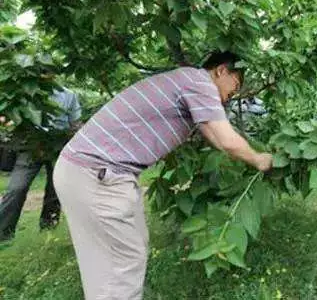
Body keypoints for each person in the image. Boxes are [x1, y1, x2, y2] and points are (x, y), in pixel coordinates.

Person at [53, 51, 273, 300]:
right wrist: (260, 159)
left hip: (92, 172)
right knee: (122, 263)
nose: (237, 90)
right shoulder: (199, 83)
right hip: (97, 175)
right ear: (221, 70)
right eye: (237, 81)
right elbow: (227, 140)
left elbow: (217, 140)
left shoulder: (188, 83)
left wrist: (246, 152)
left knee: (117, 258)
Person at [0, 86, 81, 242]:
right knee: (17, 188)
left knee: (55, 189)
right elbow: (10, 119)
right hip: (30, 148)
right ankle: (3, 235)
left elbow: (75, 123)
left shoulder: (69, 95)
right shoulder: (23, 91)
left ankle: (48, 228)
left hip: (58, 147)